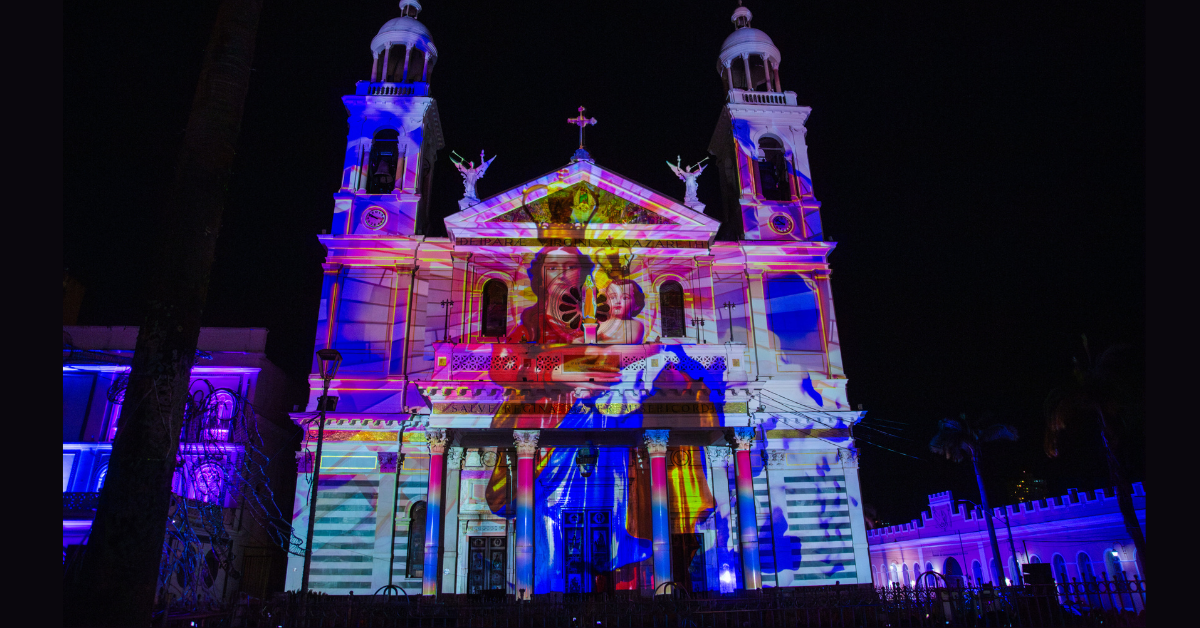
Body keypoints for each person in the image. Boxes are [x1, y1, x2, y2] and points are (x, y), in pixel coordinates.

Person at [597, 279, 645, 344]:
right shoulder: (603, 325)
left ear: (637, 305)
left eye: (625, 298)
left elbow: (629, 340)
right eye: (613, 297)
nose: (617, 301)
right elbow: (589, 338)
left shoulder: (635, 324)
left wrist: (600, 343)